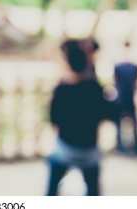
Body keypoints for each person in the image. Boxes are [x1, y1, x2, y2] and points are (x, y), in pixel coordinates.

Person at [47, 44, 116, 196]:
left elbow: (53, 119)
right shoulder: (95, 88)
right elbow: (109, 114)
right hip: (89, 149)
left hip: (66, 148)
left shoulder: (61, 90)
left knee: (52, 187)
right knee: (93, 189)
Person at [114, 41, 137, 156]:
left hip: (129, 97)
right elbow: (115, 82)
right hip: (122, 98)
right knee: (118, 123)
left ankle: (136, 146)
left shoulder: (134, 66)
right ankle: (120, 145)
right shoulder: (118, 66)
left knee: (134, 123)